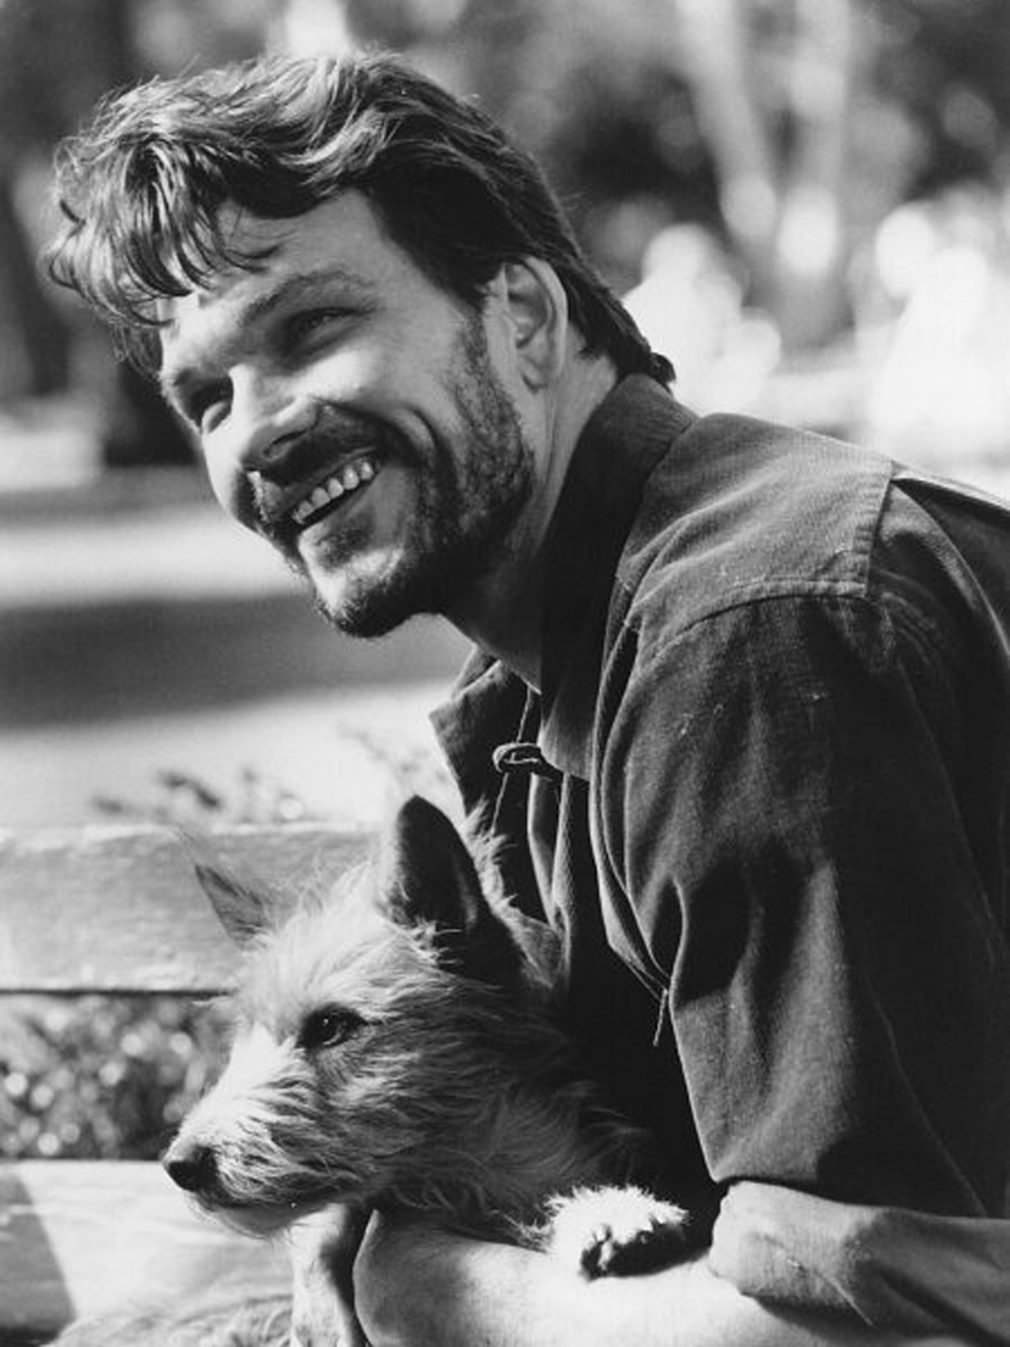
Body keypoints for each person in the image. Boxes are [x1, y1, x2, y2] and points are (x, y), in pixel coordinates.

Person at [47, 51, 1010, 1346]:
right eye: (207, 398)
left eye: (311, 328)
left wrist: (421, 1285)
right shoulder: (538, 690)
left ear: (525, 318)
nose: (258, 430)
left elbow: (885, 1327)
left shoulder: (749, 639)